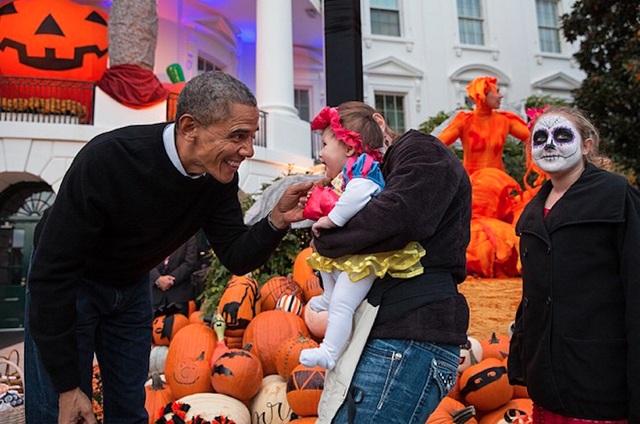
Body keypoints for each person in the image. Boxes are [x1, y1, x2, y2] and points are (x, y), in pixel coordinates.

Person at [24, 70, 313, 424]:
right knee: (59, 411)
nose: (248, 150)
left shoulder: (218, 179)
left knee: (130, 409)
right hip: (71, 286)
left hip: (130, 287)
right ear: (190, 127)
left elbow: (237, 254)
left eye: (251, 137)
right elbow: (50, 277)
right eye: (238, 136)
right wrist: (67, 386)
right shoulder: (108, 159)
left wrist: (276, 221)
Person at [312, 102, 472, 424]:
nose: (322, 154)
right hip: (390, 334)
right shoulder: (379, 175)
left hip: (410, 334)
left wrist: (326, 238)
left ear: (379, 123)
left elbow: (401, 216)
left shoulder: (421, 150)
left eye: (334, 142)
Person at [508, 106, 640, 422]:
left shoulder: (616, 195)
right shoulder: (532, 210)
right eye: (540, 138)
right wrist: (522, 356)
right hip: (548, 380)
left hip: (600, 378)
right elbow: (532, 297)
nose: (550, 144)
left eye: (562, 135)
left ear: (586, 145)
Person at [298, 104, 425, 371]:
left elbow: (359, 193)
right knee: (330, 273)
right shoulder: (349, 171)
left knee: (344, 302)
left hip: (368, 257)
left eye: (324, 145)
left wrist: (332, 219)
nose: (320, 153)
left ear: (348, 149)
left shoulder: (364, 169)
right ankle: (328, 297)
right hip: (354, 253)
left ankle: (330, 352)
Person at [438, 76, 530, 176]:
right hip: (472, 182)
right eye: (496, 91)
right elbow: (437, 144)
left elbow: (533, 138)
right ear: (482, 95)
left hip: (497, 181)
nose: (501, 95)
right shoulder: (464, 121)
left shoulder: (505, 120)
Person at [150, 235, 198, 317]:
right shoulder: (151, 235)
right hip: (154, 296)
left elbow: (190, 262)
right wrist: (158, 279)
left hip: (179, 295)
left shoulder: (189, 236)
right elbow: (145, 260)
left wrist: (170, 280)